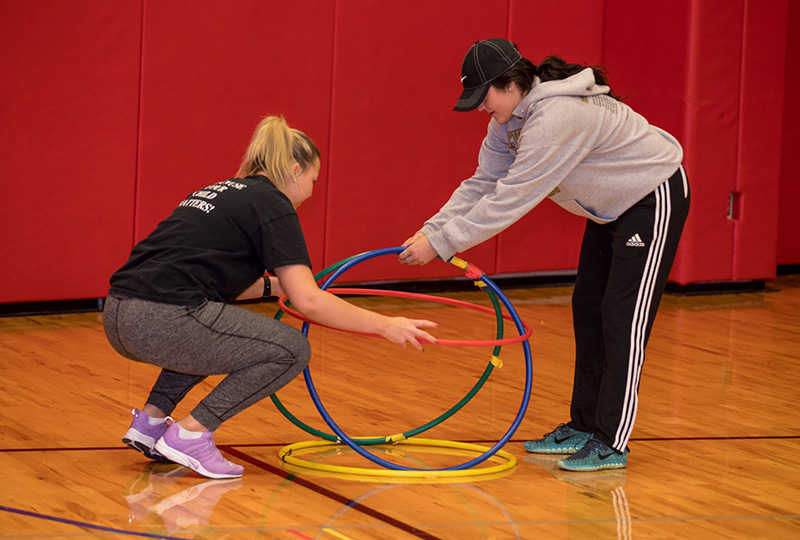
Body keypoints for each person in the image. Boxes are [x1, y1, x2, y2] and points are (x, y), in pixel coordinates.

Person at [399, 38, 690, 472]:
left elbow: (513, 196)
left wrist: (443, 244)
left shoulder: (557, 115)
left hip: (651, 196)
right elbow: (482, 184)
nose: (481, 108)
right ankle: (584, 425)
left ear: (511, 84)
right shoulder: (506, 122)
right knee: (588, 307)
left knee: (622, 318)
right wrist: (432, 229)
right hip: (609, 208)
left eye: (484, 97)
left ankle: (611, 441)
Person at [105, 116, 438, 479]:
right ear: (295, 170)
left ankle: (150, 423)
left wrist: (277, 286)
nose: (310, 191)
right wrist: (385, 324)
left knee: (219, 333)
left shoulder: (224, 190)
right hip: (164, 318)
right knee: (291, 349)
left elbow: (215, 281)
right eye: (313, 179)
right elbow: (309, 302)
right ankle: (191, 434)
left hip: (120, 314)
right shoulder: (273, 204)